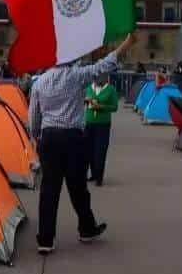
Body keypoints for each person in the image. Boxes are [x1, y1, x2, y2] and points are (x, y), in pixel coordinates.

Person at [29, 32, 137, 255]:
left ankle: (45, 239)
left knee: (49, 190)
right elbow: (103, 66)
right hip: (73, 138)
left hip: (49, 138)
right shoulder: (76, 76)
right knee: (78, 188)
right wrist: (126, 44)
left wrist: (38, 137)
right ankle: (86, 228)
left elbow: (34, 117)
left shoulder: (39, 82)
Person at [84, 72, 119, 187]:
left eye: (101, 77)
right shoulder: (88, 88)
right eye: (95, 77)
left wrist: (101, 107)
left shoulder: (111, 89)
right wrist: (86, 100)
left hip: (103, 124)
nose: (97, 79)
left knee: (100, 150)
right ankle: (92, 174)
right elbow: (83, 100)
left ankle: (99, 177)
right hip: (88, 123)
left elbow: (114, 107)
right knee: (88, 150)